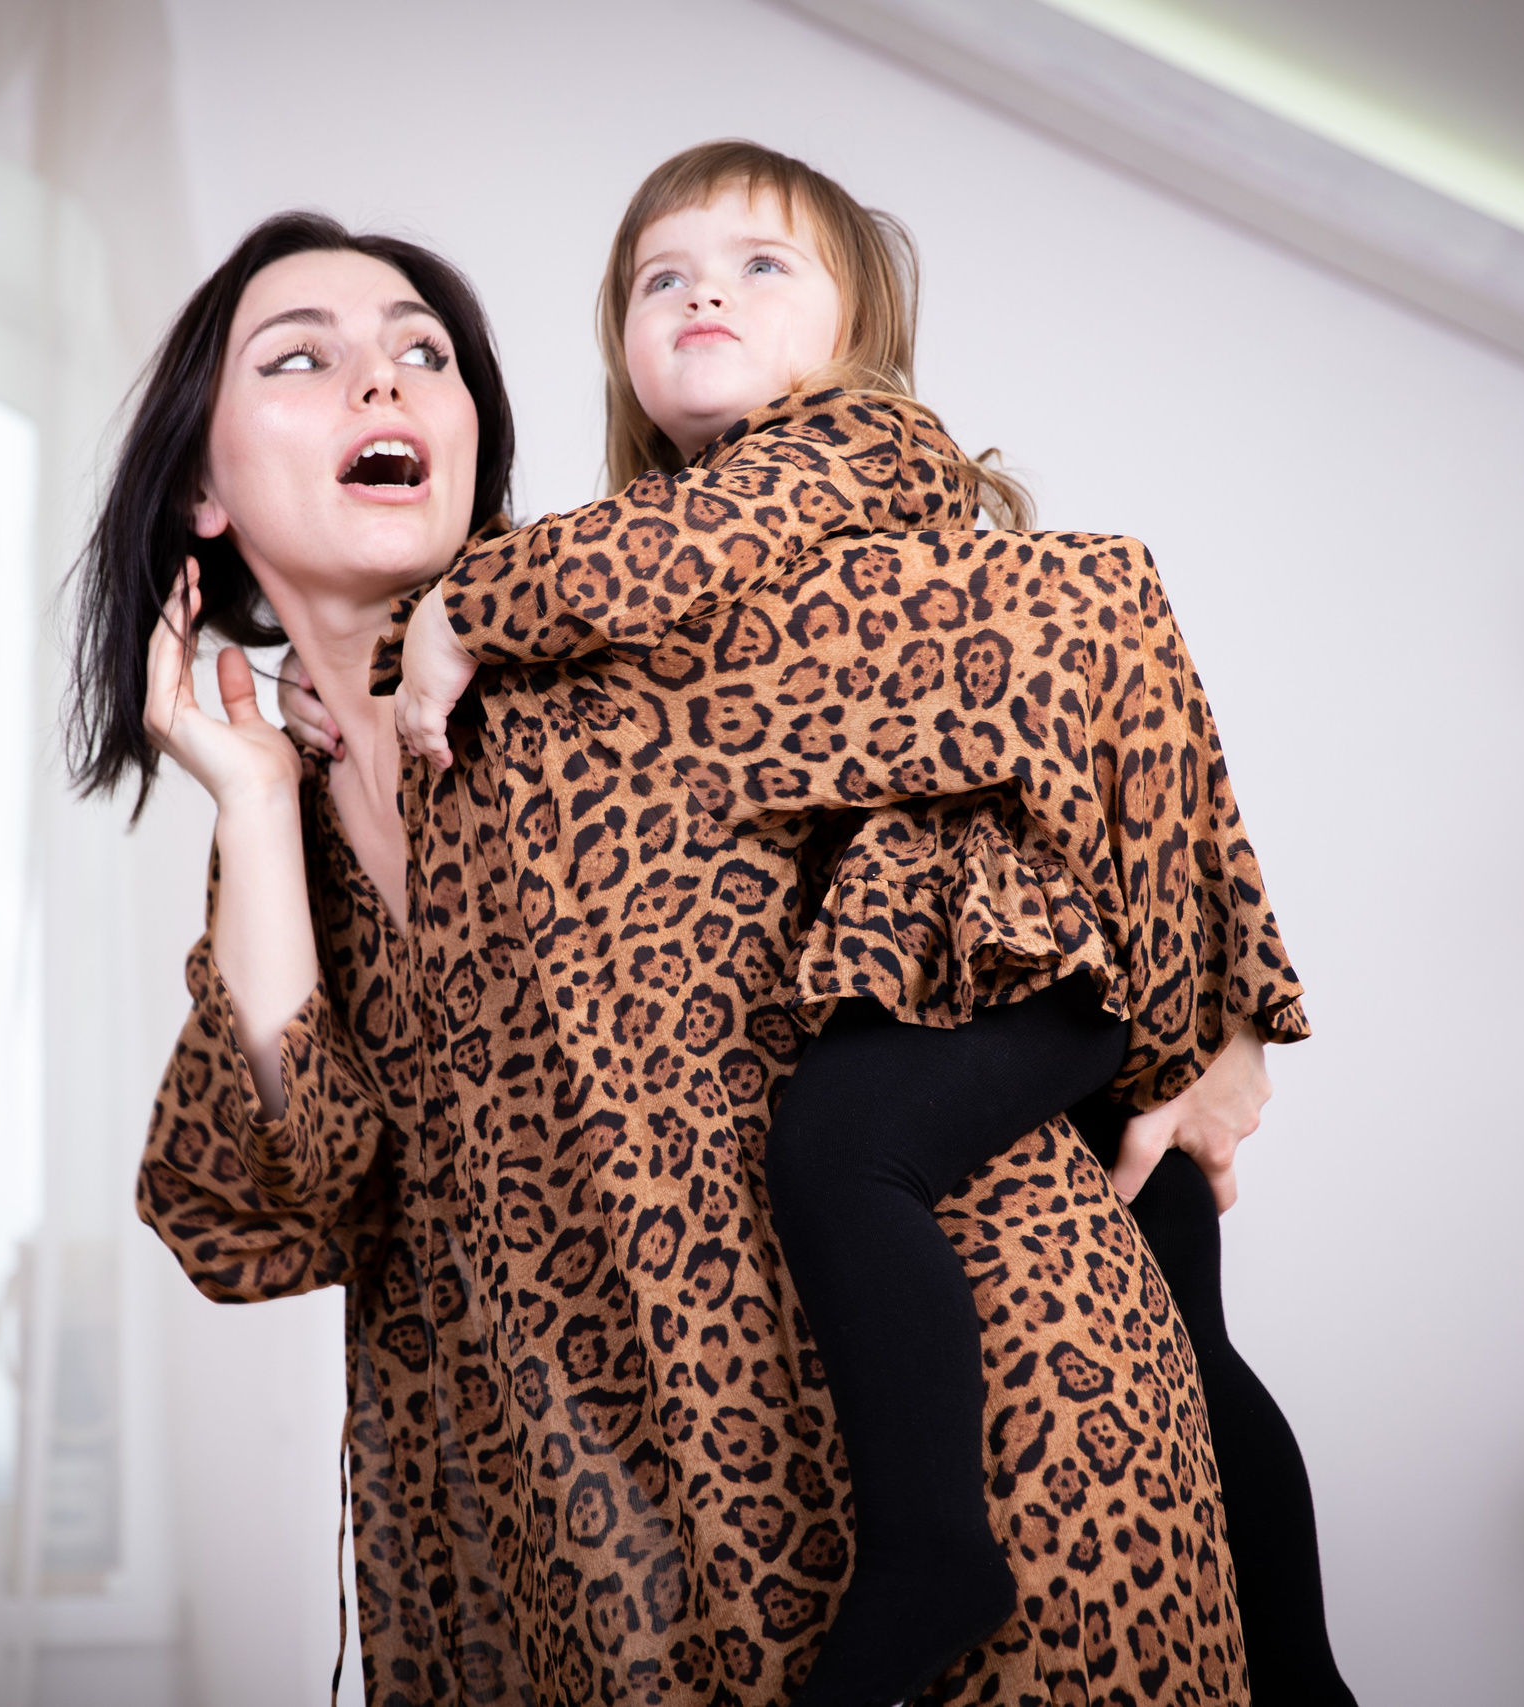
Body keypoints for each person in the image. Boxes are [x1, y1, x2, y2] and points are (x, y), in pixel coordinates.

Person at [77, 210, 1250, 1703]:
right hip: (609, 1592)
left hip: (1010, 1497)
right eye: (303, 360)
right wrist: (249, 805)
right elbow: (263, 1211)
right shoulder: (285, 846)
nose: (381, 383)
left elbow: (1086, 627)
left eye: (422, 354)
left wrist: (1215, 1022)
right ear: (197, 486)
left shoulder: (631, 648)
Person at [382, 141, 1347, 1705]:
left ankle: (930, 1555)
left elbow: (662, 557)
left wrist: (466, 609)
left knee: (843, 1149)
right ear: (620, 342)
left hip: (1013, 951)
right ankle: (1307, 1676)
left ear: (858, 331)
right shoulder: (691, 551)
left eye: (765, 265)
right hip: (1001, 953)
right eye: (663, 276)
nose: (706, 291)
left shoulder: (846, 445)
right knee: (1195, 1332)